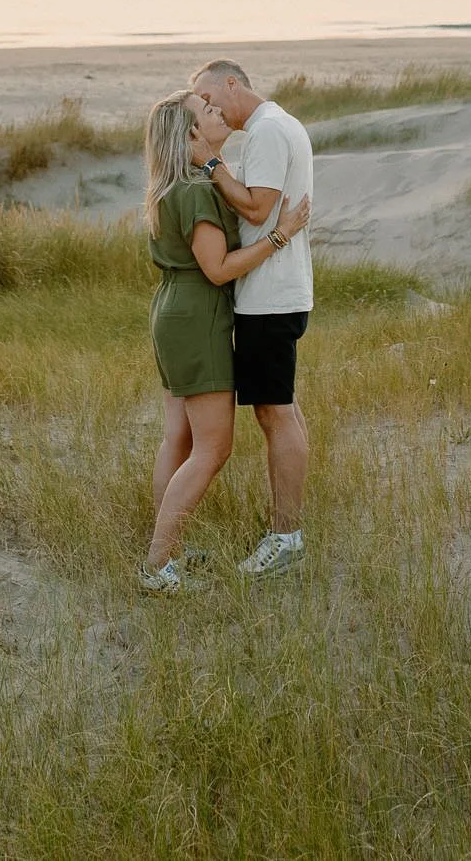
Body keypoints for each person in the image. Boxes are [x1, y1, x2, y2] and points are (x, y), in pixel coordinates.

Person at [139, 90, 309, 595]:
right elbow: (217, 269)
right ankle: (156, 565)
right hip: (196, 318)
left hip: (173, 311)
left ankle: (167, 547)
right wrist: (280, 236)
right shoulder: (194, 192)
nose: (216, 112)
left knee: (180, 438)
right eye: (205, 112)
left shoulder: (176, 186)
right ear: (190, 135)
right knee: (214, 447)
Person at [190, 58, 315, 579]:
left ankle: (285, 537)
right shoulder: (279, 125)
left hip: (270, 297)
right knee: (283, 410)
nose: (211, 110)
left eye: (211, 99)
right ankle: (288, 530)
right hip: (283, 291)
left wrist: (211, 164)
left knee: (274, 415)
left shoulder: (266, 132)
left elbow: (259, 210)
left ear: (232, 84)